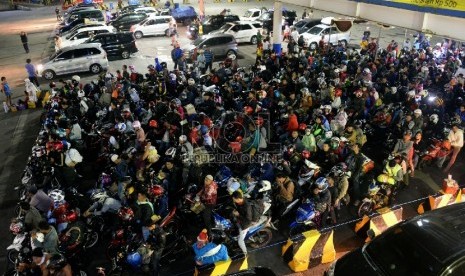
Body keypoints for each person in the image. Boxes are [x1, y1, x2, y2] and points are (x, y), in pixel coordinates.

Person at [231, 191, 264, 256]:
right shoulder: (242, 202)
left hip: (246, 224)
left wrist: (238, 215)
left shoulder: (247, 206)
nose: (234, 201)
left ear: (238, 199)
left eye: (234, 200)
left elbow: (248, 219)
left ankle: (245, 254)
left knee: (240, 241)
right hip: (241, 220)